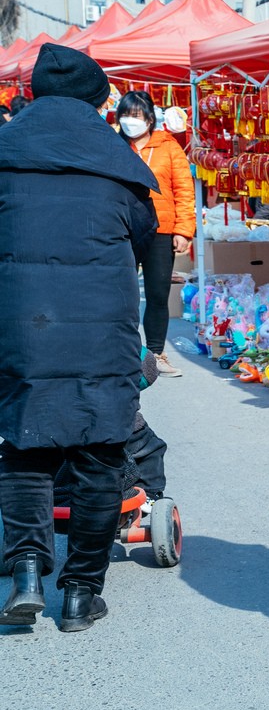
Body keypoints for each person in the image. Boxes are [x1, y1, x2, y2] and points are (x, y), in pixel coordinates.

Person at [0, 44, 157, 631]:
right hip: (100, 332)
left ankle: (24, 572)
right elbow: (144, 240)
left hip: (19, 327)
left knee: (24, 447)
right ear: (99, 101)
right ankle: (80, 592)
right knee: (98, 454)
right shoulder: (117, 166)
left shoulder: (6, 152)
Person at [115, 90, 195, 378]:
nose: (129, 122)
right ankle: (123, 354)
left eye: (135, 116)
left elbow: (184, 190)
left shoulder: (169, 147)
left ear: (149, 118)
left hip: (162, 229)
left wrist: (184, 231)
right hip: (122, 229)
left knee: (158, 294)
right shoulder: (114, 145)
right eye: (125, 115)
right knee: (121, 293)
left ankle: (156, 353)